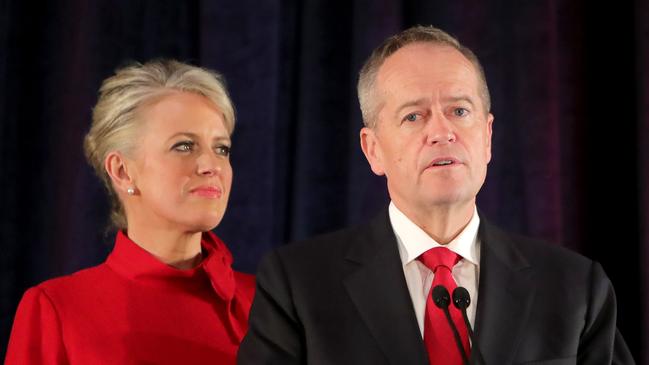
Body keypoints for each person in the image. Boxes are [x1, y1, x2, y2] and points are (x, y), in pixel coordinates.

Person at [237, 26, 635, 364]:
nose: (442, 131)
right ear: (372, 149)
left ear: (488, 137)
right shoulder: (298, 285)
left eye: (460, 111)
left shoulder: (576, 288)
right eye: (414, 116)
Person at [5, 60, 254, 364]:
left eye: (221, 148)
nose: (211, 166)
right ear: (121, 170)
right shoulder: (57, 309)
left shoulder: (268, 306)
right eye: (185, 146)